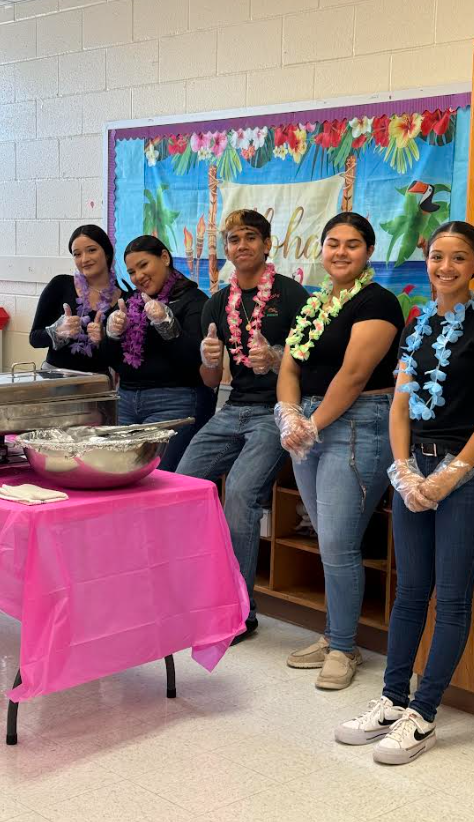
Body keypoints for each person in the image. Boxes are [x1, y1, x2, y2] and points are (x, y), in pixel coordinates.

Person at [336, 221, 474, 765]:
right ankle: (392, 700)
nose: (445, 267)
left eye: (459, 258)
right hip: (416, 467)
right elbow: (399, 404)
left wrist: (452, 472)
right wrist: (404, 470)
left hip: (468, 474)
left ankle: (425, 714)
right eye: (437, 256)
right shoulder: (418, 323)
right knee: (410, 591)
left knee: (451, 597)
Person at [276, 212, 404, 690]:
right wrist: (290, 416)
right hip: (308, 422)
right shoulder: (314, 305)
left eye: (352, 244)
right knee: (326, 540)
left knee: (338, 542)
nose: (341, 252)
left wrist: (312, 423)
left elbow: (353, 375)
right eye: (333, 243)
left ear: (369, 252)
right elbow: (289, 365)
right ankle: (333, 636)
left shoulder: (379, 303)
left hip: (356, 424)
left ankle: (345, 646)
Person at [176, 209, 308, 642]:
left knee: (241, 499)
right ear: (227, 248)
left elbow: (312, 367)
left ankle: (240, 612)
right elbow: (211, 381)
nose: (242, 246)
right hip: (232, 408)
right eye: (233, 239)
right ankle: (191, 595)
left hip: (277, 410)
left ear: (268, 244)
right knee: (180, 487)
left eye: (251, 237)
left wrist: (275, 359)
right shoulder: (217, 302)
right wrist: (209, 360)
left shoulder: (292, 297)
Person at [105, 235, 216, 472]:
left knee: (158, 479)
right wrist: (111, 335)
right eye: (132, 272)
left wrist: (168, 325)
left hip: (175, 402)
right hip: (126, 401)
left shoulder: (194, 301)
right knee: (122, 475)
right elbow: (110, 361)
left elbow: (195, 362)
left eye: (144, 265)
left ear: (164, 258)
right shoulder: (130, 304)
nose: (138, 276)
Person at [30, 224, 122, 373]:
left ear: (106, 252)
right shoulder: (60, 285)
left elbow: (125, 354)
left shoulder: (123, 299)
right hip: (55, 379)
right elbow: (34, 339)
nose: (84, 259)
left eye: (91, 250)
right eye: (77, 254)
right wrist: (58, 331)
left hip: (99, 384)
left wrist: (105, 338)